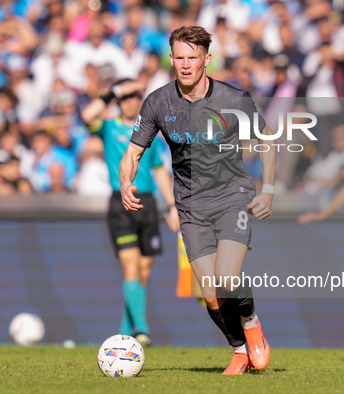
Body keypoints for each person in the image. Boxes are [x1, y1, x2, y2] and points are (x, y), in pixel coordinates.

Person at [119, 26, 276, 375]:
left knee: (227, 278)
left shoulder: (234, 99)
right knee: (209, 293)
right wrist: (125, 182)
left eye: (193, 57)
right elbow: (133, 152)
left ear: (207, 59)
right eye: (180, 57)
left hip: (232, 196)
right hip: (190, 205)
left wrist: (268, 190)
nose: (186, 64)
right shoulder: (158, 102)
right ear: (171, 59)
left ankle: (251, 324)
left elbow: (267, 138)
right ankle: (238, 350)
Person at [82, 79, 179, 347]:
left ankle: (126, 330)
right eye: (125, 97)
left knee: (144, 271)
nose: (130, 101)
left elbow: (159, 170)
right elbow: (87, 115)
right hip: (121, 202)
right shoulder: (109, 128)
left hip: (147, 202)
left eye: (135, 95)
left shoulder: (148, 133)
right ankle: (142, 329)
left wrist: (171, 205)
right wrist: (113, 91)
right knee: (130, 267)